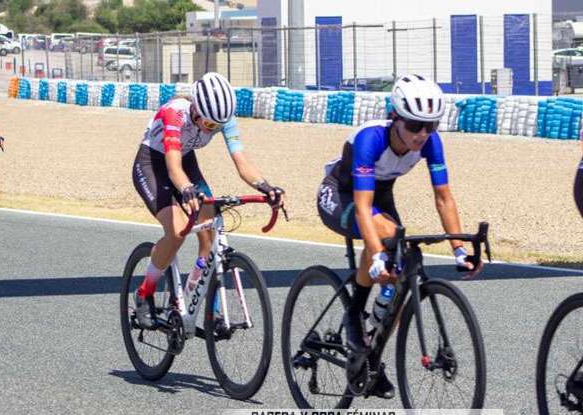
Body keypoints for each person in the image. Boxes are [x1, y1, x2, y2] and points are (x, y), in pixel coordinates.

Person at [316, 73, 482, 398]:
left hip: (380, 197)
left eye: (430, 125)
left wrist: (460, 250)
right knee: (385, 239)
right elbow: (364, 209)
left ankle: (372, 357)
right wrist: (376, 255)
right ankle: (353, 314)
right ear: (395, 118)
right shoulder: (370, 139)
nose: (422, 134)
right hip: (342, 195)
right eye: (414, 125)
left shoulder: (431, 142)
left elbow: (444, 197)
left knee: (400, 280)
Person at [131, 72, 285, 327]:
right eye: (210, 125)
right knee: (178, 231)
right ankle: (144, 292)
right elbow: (173, 167)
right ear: (196, 110)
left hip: (186, 160)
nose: (212, 129)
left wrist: (265, 186)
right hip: (153, 163)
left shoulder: (223, 118)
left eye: (218, 126)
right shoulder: (174, 114)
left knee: (209, 234)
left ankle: (198, 301)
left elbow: (241, 162)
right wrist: (186, 189)